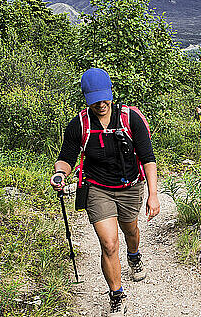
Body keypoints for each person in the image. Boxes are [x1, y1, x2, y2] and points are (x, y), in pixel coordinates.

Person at [50, 68, 160, 317]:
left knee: (130, 230)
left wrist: (153, 194)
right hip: (97, 188)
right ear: (86, 98)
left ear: (111, 93)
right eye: (94, 100)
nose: (101, 104)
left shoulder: (131, 118)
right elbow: (66, 157)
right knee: (109, 244)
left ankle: (134, 256)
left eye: (104, 98)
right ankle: (117, 296)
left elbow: (148, 158)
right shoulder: (80, 124)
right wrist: (60, 173)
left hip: (130, 187)